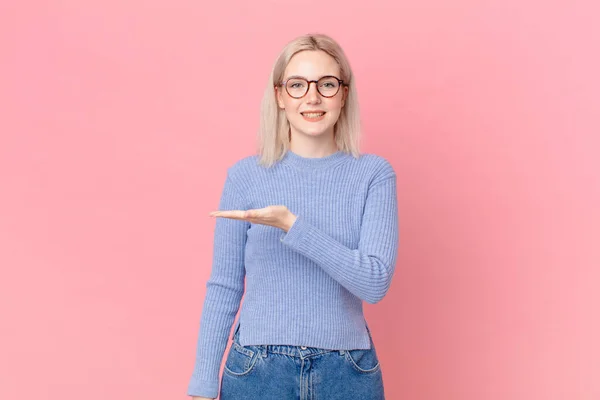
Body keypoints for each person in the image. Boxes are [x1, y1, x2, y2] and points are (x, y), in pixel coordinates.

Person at [187, 33, 399, 400]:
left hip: (346, 373)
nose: (312, 97)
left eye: (326, 84)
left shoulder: (374, 175)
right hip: (257, 371)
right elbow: (224, 286)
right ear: (280, 96)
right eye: (297, 85)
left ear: (343, 94)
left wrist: (293, 226)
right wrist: (204, 383)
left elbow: (374, 283)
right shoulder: (245, 176)